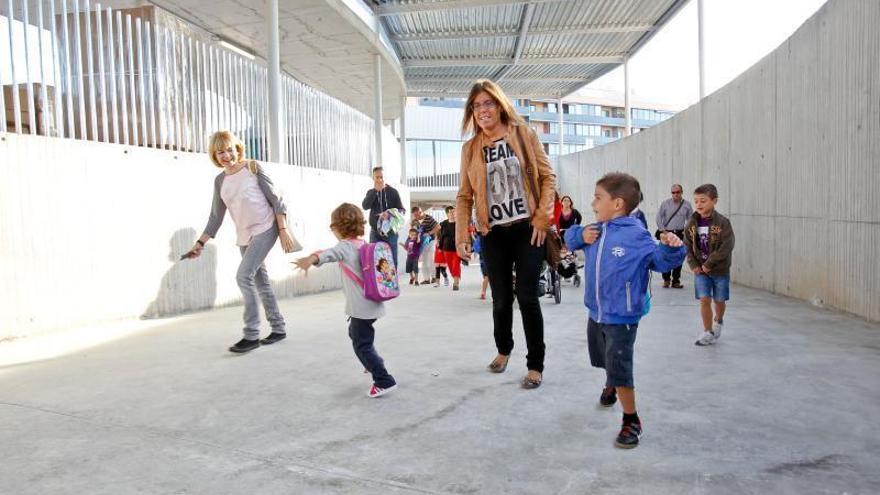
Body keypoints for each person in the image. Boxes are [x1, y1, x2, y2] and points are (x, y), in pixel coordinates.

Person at [565, 172, 686, 449]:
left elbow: (659, 261)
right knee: (601, 356)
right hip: (596, 312)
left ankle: (631, 419)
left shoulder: (637, 235)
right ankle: (611, 382)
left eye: (598, 198)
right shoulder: (595, 230)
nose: (593, 203)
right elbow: (569, 238)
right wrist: (578, 234)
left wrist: (672, 250)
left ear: (617, 203)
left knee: (620, 365)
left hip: (622, 316)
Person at [455, 79, 556, 389]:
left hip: (528, 229)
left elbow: (547, 177)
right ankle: (503, 349)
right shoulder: (470, 148)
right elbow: (464, 196)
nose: (483, 110)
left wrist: (542, 217)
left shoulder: (523, 134)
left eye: (488, 103)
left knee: (527, 295)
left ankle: (535, 365)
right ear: (472, 113)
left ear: (499, 105)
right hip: (493, 232)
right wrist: (462, 235)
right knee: (500, 299)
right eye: (477, 106)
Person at [187, 131, 297, 354]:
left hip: (266, 227)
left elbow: (277, 200)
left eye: (230, 150)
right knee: (260, 282)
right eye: (220, 152)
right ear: (215, 156)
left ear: (238, 149)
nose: (226, 155)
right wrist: (200, 243)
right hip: (244, 235)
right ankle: (278, 328)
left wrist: (283, 230)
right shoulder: (220, 181)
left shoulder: (252, 168)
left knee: (243, 276)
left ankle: (251, 334)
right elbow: (215, 217)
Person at [293, 203, 397, 398]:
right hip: (373, 303)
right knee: (357, 334)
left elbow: (329, 254)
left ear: (338, 227)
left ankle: (384, 380)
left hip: (361, 308)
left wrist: (311, 259)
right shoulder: (362, 244)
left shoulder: (345, 247)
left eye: (332, 226)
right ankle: (370, 361)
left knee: (361, 344)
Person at [683, 184, 735, 346]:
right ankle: (707, 331)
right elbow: (686, 246)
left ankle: (718, 321)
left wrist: (709, 264)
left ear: (714, 201)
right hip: (700, 271)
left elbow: (727, 246)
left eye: (703, 201)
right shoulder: (691, 223)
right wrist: (694, 265)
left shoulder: (723, 223)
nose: (699, 204)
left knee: (719, 300)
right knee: (704, 299)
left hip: (719, 270)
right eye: (696, 201)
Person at [362, 166, 405, 268]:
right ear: (373, 178)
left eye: (382, 177)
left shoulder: (393, 192)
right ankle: (379, 283)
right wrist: (375, 191)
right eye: (377, 177)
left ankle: (393, 283)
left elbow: (402, 210)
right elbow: (365, 206)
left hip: (390, 232)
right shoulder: (370, 192)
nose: (380, 179)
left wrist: (389, 214)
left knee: (392, 259)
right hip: (375, 232)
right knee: (375, 259)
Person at [655, 184, 693, 288]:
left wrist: (687, 231)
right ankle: (666, 279)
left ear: (681, 192)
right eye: (673, 192)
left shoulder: (687, 205)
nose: (675, 194)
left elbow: (691, 220)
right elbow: (658, 217)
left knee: (678, 257)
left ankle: (676, 281)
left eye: (677, 192)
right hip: (667, 233)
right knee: (665, 256)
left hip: (680, 234)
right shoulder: (665, 204)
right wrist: (663, 231)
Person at [411, 206, 440, 284]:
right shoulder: (414, 221)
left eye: (418, 214)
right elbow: (412, 231)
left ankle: (434, 277)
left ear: (421, 211)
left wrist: (429, 233)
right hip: (421, 243)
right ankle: (427, 279)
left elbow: (438, 226)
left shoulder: (429, 218)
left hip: (431, 241)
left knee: (431, 260)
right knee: (424, 261)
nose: (417, 216)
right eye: (415, 215)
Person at [437, 206, 462, 290]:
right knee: (451, 266)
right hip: (446, 249)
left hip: (457, 248)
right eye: (450, 212)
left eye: (454, 212)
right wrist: (440, 247)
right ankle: (456, 277)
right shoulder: (443, 223)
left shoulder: (459, 223)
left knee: (456, 265)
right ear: (447, 214)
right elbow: (442, 236)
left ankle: (456, 283)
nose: (452, 214)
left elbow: (464, 235)